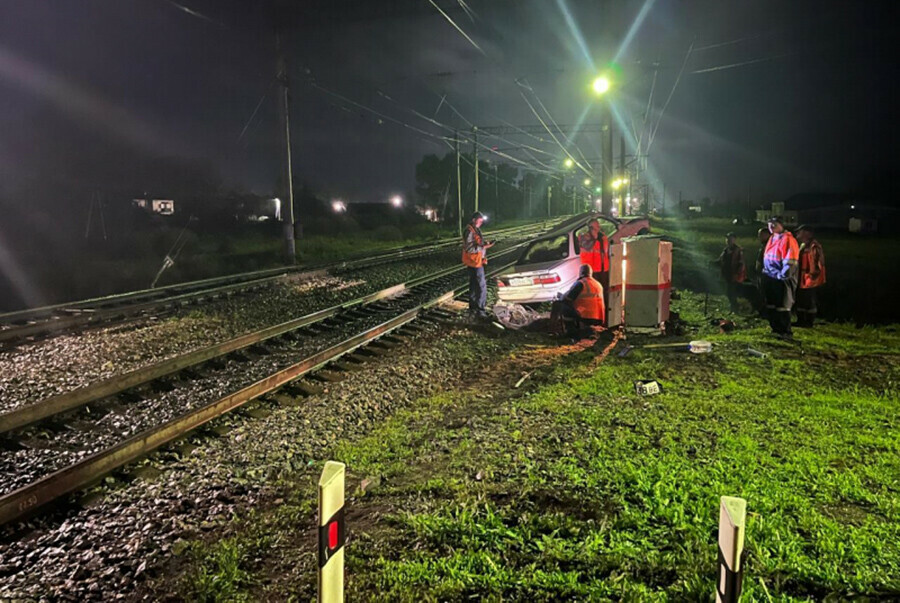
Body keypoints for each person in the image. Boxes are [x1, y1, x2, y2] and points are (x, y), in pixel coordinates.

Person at [761, 216, 800, 337]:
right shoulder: (773, 238)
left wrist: (781, 276)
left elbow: (790, 262)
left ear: (782, 225)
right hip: (771, 276)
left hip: (781, 279)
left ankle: (785, 332)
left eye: (774, 224)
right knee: (772, 304)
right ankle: (776, 329)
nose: (771, 227)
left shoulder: (788, 240)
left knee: (783, 306)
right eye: (769, 224)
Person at [550, 264, 605, 339]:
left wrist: (560, 296)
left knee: (560, 305)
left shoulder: (581, 283)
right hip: (599, 317)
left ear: (581, 273)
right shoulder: (597, 284)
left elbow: (568, 299)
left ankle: (565, 331)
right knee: (570, 308)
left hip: (585, 315)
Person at [462, 211, 494, 318]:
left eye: (481, 222)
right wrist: (484, 247)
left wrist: (485, 244)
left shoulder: (476, 229)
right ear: (474, 220)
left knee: (474, 284)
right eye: (479, 221)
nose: (480, 223)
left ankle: (473, 307)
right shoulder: (469, 231)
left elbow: (477, 243)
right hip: (474, 262)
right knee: (481, 286)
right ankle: (480, 309)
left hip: (476, 261)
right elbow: (469, 248)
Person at [794, 225, 826, 328]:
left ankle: (808, 322)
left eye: (800, 231)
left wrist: (813, 277)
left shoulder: (814, 246)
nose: (797, 233)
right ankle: (801, 320)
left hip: (810, 278)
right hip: (803, 277)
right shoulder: (804, 245)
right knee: (801, 299)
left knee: (809, 300)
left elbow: (818, 263)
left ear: (807, 233)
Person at [712, 232, 747, 312]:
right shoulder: (726, 250)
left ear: (734, 240)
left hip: (734, 275)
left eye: (730, 239)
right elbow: (721, 260)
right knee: (729, 292)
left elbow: (741, 264)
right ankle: (734, 307)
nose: (728, 240)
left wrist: (737, 274)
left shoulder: (738, 251)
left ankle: (735, 308)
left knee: (731, 292)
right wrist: (713, 263)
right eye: (727, 239)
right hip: (727, 274)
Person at [578, 219, 610, 306]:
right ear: (590, 227)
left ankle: (605, 307)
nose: (599, 227)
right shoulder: (584, 238)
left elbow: (607, 252)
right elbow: (587, 246)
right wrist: (594, 237)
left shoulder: (603, 237)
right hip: (591, 271)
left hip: (603, 270)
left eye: (598, 225)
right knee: (593, 292)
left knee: (605, 291)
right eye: (596, 226)